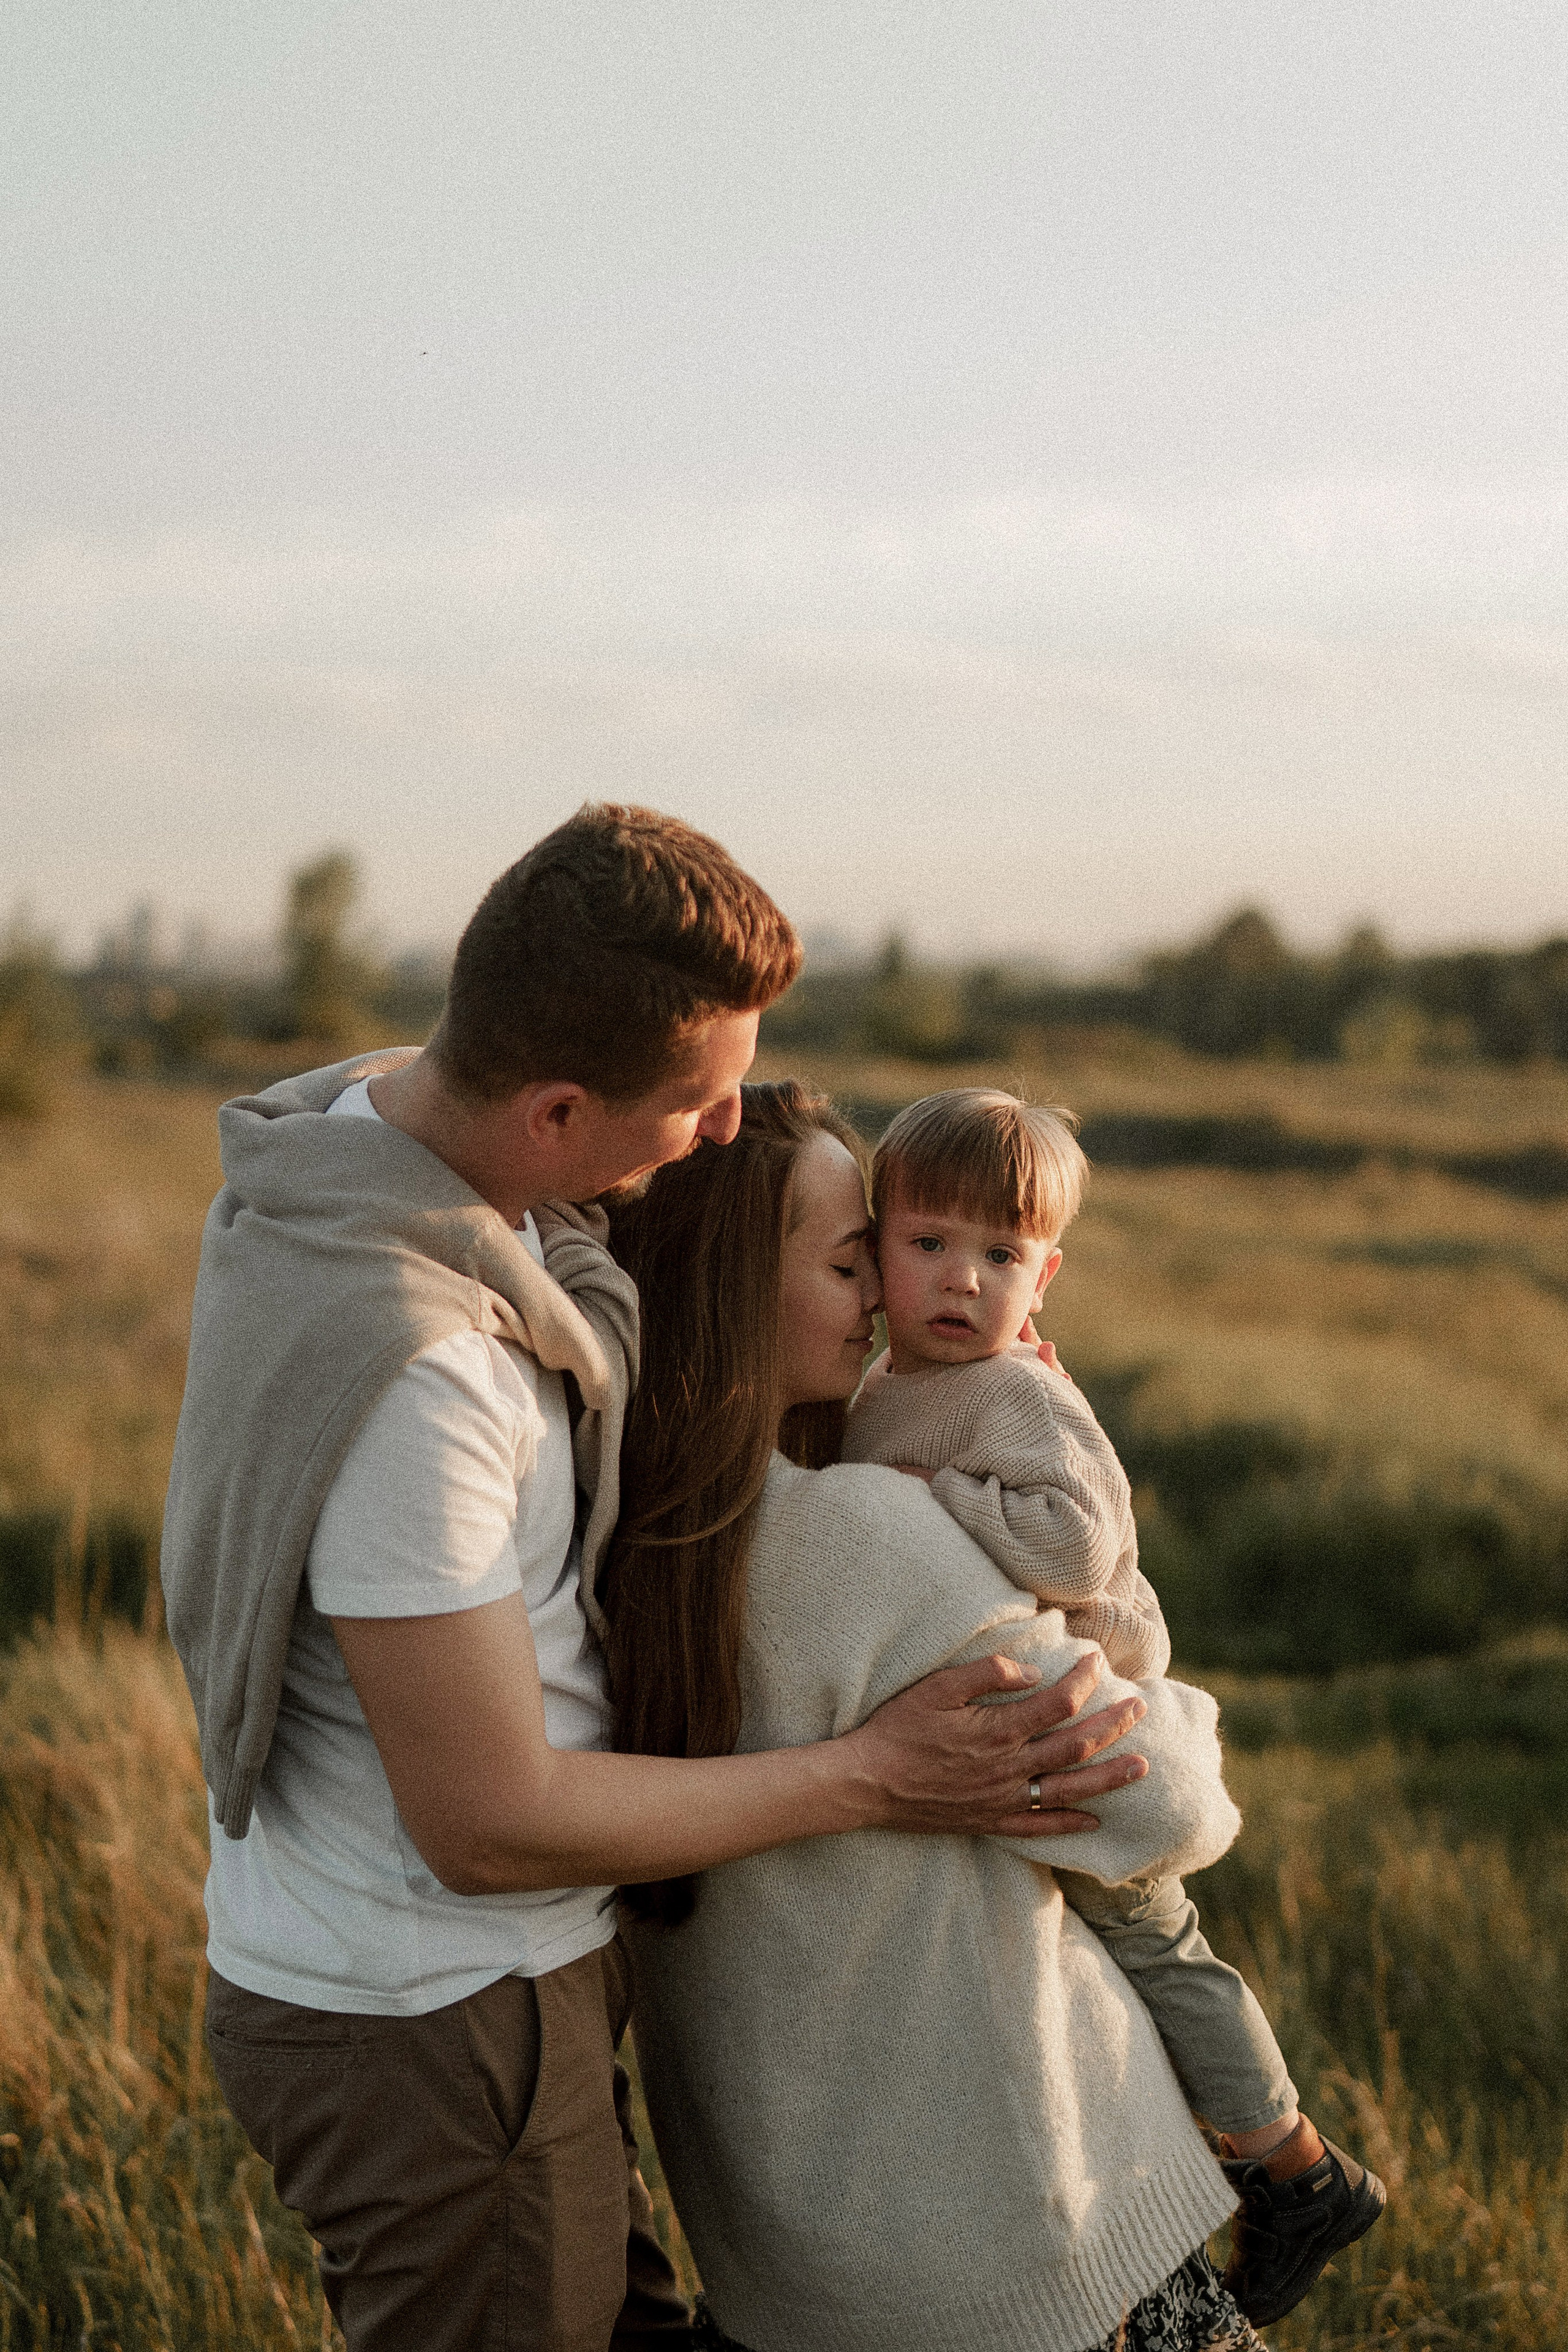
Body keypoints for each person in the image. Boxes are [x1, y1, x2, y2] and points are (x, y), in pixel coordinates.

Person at [162, 806, 1153, 2352]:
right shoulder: (423, 1374)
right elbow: (486, 1823)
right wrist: (873, 1774)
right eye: (695, 1103)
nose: (717, 1129)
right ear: (555, 1110)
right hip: (436, 2004)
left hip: (462, 1984)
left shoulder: (353, 1134)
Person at [606, 1081, 1276, 2352]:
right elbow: (1166, 1806)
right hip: (1025, 2236)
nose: (884, 1295)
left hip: (782, 2263)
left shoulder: (609, 1542)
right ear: (739, 1286)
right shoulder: (866, 1535)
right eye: (852, 1260)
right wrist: (1170, 1709)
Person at [840, 1087, 1386, 2329]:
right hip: (1031, 1717)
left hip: (1096, 1714)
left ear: (1044, 1278)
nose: (962, 1280)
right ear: (873, 1250)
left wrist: (940, 1500)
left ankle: (1292, 2167)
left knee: (1148, 1934)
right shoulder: (889, 1381)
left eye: (1001, 1256)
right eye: (928, 1243)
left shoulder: (1013, 1390)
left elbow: (1078, 1549)